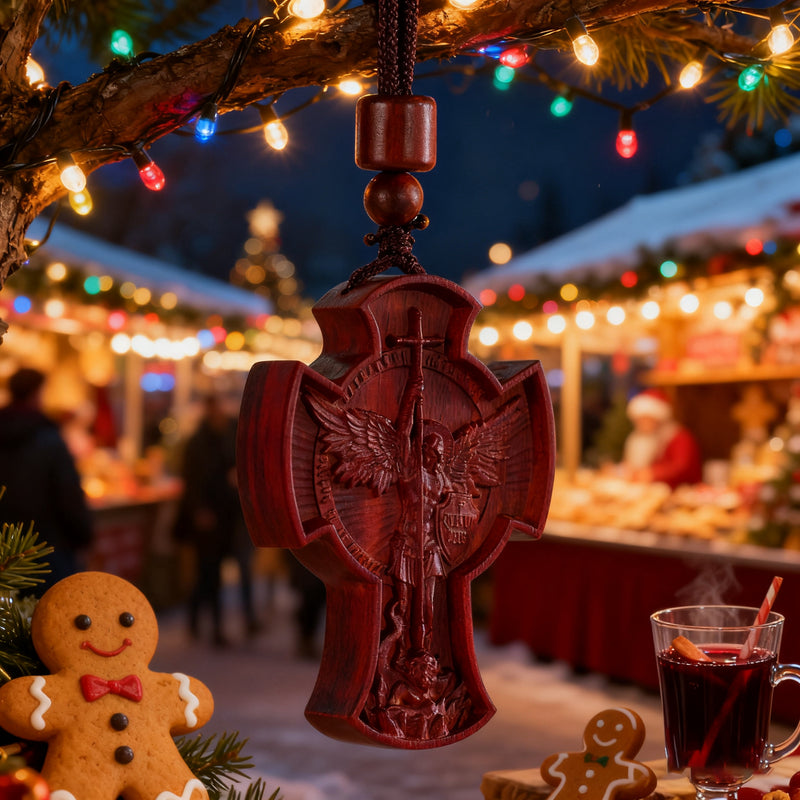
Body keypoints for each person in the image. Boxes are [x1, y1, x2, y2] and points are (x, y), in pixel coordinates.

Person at [174, 395, 259, 646]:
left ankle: (247, 619)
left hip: (234, 515)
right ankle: (208, 624)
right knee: (208, 573)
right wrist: (199, 510)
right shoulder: (197, 442)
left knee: (242, 568)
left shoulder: (235, 436)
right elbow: (192, 482)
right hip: (210, 517)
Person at [0, 367, 94, 589]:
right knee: (50, 617)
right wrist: (83, 536)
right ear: (37, 393)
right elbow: (68, 495)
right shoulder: (48, 437)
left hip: (4, 547)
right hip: (47, 549)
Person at [622, 388, 703, 489]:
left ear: (658, 417)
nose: (641, 423)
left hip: (683, 491)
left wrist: (653, 474)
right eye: (638, 419)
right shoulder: (638, 439)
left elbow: (681, 468)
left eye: (645, 418)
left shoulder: (679, 437)